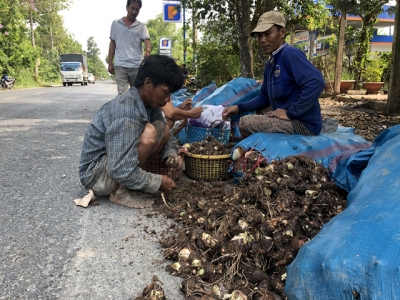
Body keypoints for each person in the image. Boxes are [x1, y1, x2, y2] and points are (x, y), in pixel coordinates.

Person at [78, 55, 184, 209]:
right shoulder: (126, 113)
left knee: (162, 129)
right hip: (96, 177)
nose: (168, 100)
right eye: (165, 92)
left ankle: (131, 181)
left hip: (112, 165)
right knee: (149, 133)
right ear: (148, 84)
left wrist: (171, 154)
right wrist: (158, 181)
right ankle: (119, 191)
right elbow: (118, 168)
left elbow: (167, 134)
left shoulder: (148, 103)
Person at [222, 11, 325, 138]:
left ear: (282, 32)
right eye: (260, 36)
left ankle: (253, 153)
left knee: (245, 123)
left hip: (303, 124)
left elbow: (316, 81)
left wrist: (290, 113)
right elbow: (264, 98)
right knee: (257, 112)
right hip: (291, 117)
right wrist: (238, 107)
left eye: (267, 34)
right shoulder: (270, 64)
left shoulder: (290, 54)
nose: (262, 40)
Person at [108, 0, 151, 95]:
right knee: (122, 94)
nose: (134, 12)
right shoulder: (116, 23)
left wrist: (148, 52)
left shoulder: (142, 26)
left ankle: (135, 110)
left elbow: (147, 40)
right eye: (132, 8)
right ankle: (124, 110)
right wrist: (110, 63)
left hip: (136, 66)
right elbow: (112, 43)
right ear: (126, 7)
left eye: (137, 9)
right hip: (120, 65)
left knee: (136, 94)